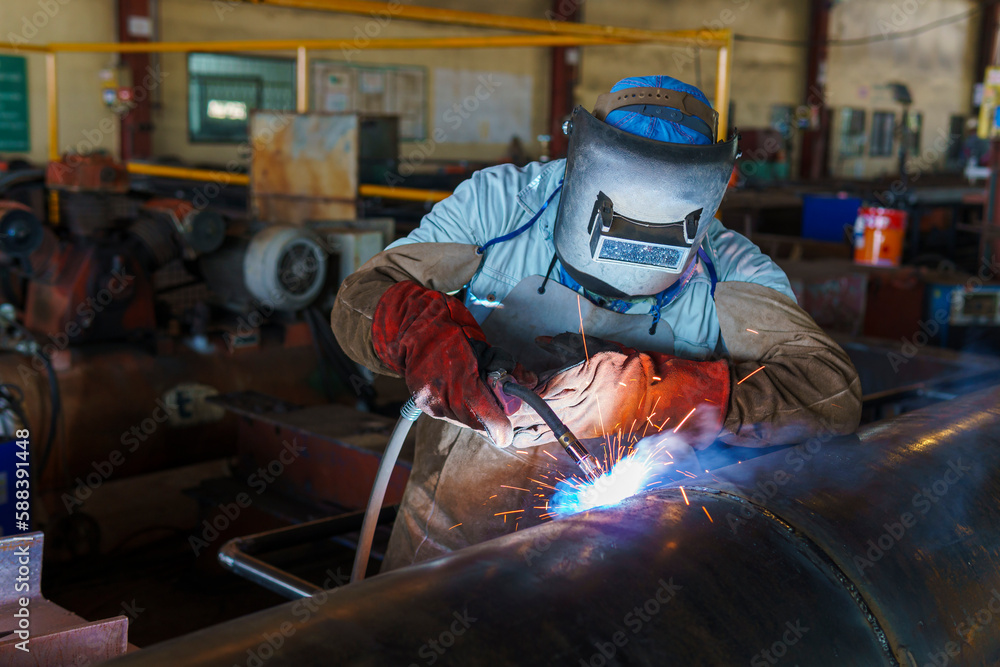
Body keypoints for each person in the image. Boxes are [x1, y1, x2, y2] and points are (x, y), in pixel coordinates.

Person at [331, 75, 861, 571]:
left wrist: (663, 393)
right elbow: (360, 297)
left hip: (624, 563)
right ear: (581, 161)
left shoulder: (733, 270)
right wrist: (421, 336)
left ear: (708, 193)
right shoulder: (500, 206)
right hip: (446, 550)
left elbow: (829, 395)